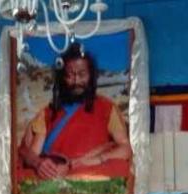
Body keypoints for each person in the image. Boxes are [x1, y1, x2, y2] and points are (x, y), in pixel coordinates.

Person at [17, 42, 131, 182]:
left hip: (92, 169)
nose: (77, 81)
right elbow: (32, 153)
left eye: (82, 74)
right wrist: (39, 164)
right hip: (57, 172)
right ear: (62, 78)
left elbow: (125, 148)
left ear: (91, 76)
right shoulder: (49, 112)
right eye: (70, 75)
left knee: (120, 167)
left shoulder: (107, 108)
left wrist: (97, 159)